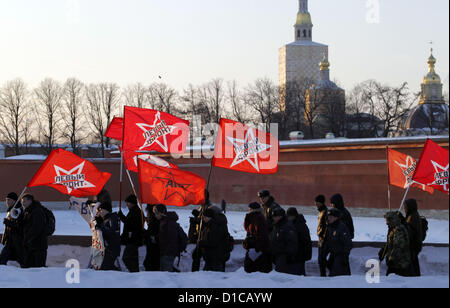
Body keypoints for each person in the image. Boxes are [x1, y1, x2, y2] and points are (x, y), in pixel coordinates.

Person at [379, 211, 413, 277]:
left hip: (400, 263)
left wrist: (391, 258)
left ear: (393, 220)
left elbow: (398, 246)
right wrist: (383, 250)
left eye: (387, 221)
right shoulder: (393, 229)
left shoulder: (399, 230)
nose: (386, 223)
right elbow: (390, 243)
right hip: (395, 263)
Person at [243, 202, 272, 274]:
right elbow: (247, 228)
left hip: (257, 250)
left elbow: (261, 235)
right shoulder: (254, 217)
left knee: (253, 269)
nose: (249, 210)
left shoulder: (258, 218)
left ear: (253, 210)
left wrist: (254, 245)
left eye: (250, 209)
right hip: (255, 248)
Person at [269, 208, 299, 275]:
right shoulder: (277, 226)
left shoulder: (286, 226)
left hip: (284, 257)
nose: (273, 218)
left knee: (282, 277)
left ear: (281, 216)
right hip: (278, 256)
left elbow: (292, 242)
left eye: (275, 216)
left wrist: (289, 256)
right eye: (273, 216)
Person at [21, 194, 48, 268]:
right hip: (31, 245)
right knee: (29, 268)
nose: (23, 204)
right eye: (22, 202)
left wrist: (28, 238)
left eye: (24, 201)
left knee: (39, 269)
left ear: (30, 201)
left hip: (38, 246)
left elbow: (37, 228)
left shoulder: (37, 211)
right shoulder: (28, 212)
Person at [198, 208, 229, 272]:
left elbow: (214, 242)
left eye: (204, 217)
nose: (203, 219)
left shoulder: (214, 226)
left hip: (215, 256)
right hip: (213, 256)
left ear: (209, 217)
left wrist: (202, 242)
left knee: (216, 275)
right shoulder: (211, 225)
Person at [95, 195, 121, 271]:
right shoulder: (107, 219)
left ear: (106, 210)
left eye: (100, 210)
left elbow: (111, 231)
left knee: (105, 268)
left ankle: (119, 275)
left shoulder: (112, 218)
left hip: (112, 248)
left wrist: (101, 227)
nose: (99, 212)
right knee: (107, 267)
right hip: (109, 248)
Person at [118, 194, 143, 273]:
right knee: (133, 258)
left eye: (128, 203)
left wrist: (121, 216)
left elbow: (130, 224)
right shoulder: (133, 211)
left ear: (132, 203)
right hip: (133, 239)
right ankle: (135, 273)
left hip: (133, 239)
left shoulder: (136, 212)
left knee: (126, 257)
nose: (127, 204)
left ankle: (134, 272)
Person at [324, 208, 352, 277]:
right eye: (328, 217)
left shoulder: (341, 227)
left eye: (331, 217)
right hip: (333, 255)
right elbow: (329, 241)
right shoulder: (330, 227)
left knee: (336, 276)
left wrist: (344, 256)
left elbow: (348, 243)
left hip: (341, 255)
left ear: (336, 218)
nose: (329, 218)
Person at [0, 192, 25, 267]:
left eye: (9, 200)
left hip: (16, 241)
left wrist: (9, 223)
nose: (7, 202)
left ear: (14, 201)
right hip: (10, 240)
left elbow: (20, 226)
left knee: (3, 259)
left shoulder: (19, 210)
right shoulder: (10, 210)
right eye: (6, 200)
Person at [153, 204, 179, 272]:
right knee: (164, 273)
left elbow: (172, 239)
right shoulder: (164, 221)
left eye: (156, 213)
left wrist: (167, 252)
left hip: (168, 253)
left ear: (161, 213)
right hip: (165, 252)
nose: (155, 215)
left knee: (167, 273)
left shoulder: (169, 223)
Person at [287, 207, 312, 276]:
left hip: (299, 253)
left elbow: (305, 241)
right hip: (298, 253)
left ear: (293, 216)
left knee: (298, 273)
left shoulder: (299, 225)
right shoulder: (296, 224)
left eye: (289, 216)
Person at [404, 199, 424, 277]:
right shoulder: (412, 215)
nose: (404, 208)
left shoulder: (413, 216)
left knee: (412, 262)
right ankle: (415, 275)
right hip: (414, 244)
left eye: (405, 207)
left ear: (410, 207)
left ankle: (413, 276)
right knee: (414, 261)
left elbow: (410, 230)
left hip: (413, 244)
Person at [143, 204, 160, 271]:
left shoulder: (154, 222)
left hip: (153, 250)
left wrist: (144, 232)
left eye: (147, 212)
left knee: (150, 265)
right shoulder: (154, 221)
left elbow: (151, 234)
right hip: (154, 249)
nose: (147, 214)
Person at [315, 195, 328, 277]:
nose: (316, 203)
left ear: (321, 202)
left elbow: (326, 226)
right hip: (321, 238)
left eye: (317, 202)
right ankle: (322, 274)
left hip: (323, 239)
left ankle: (323, 275)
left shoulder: (325, 212)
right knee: (321, 259)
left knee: (321, 259)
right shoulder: (321, 211)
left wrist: (323, 237)